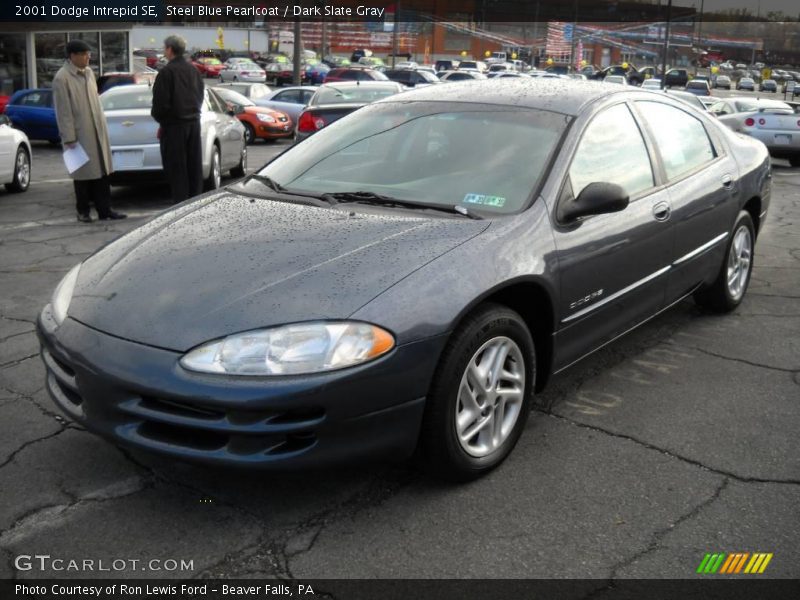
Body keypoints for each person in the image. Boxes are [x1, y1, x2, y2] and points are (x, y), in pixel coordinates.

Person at [52, 39, 126, 222]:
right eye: (84, 54)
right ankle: (83, 211)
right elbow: (63, 111)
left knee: (102, 173)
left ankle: (105, 210)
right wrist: (69, 137)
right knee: (82, 174)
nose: (88, 57)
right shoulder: (62, 78)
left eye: (89, 54)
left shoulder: (89, 73)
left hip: (97, 131)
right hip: (79, 132)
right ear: (72, 56)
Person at [151, 35, 205, 203]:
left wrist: (161, 120)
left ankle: (180, 206)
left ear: (169, 49)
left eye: (164, 48)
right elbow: (200, 96)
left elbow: (160, 105)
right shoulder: (194, 71)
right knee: (193, 168)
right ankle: (194, 204)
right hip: (194, 124)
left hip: (174, 127)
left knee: (177, 170)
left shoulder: (166, 73)